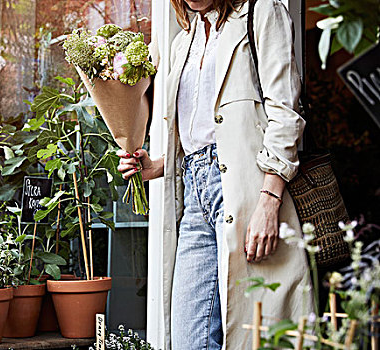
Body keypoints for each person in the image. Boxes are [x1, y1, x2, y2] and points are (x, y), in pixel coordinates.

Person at [117, 0, 314, 349]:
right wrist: (158, 165)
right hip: (194, 197)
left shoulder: (260, 12)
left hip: (248, 190)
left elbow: (285, 113)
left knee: (256, 332)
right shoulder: (184, 40)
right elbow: (201, 131)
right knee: (188, 337)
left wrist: (269, 200)